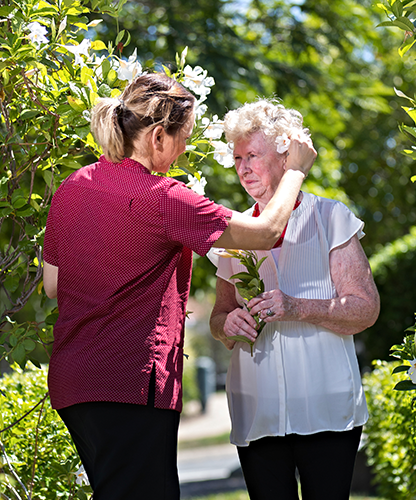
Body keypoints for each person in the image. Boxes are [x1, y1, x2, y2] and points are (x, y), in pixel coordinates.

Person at [42, 74, 316, 500]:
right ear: (157, 136)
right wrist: (295, 169)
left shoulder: (72, 187)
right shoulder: (163, 196)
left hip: (74, 385)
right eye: (183, 137)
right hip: (129, 382)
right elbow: (265, 232)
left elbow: (53, 284)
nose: (186, 148)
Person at [209, 99, 380, 500]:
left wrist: (298, 307)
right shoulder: (231, 234)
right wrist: (226, 325)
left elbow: (365, 309)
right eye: (237, 158)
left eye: (253, 155)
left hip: (327, 410)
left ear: (287, 157)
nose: (243, 167)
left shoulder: (332, 217)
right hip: (258, 413)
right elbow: (219, 316)